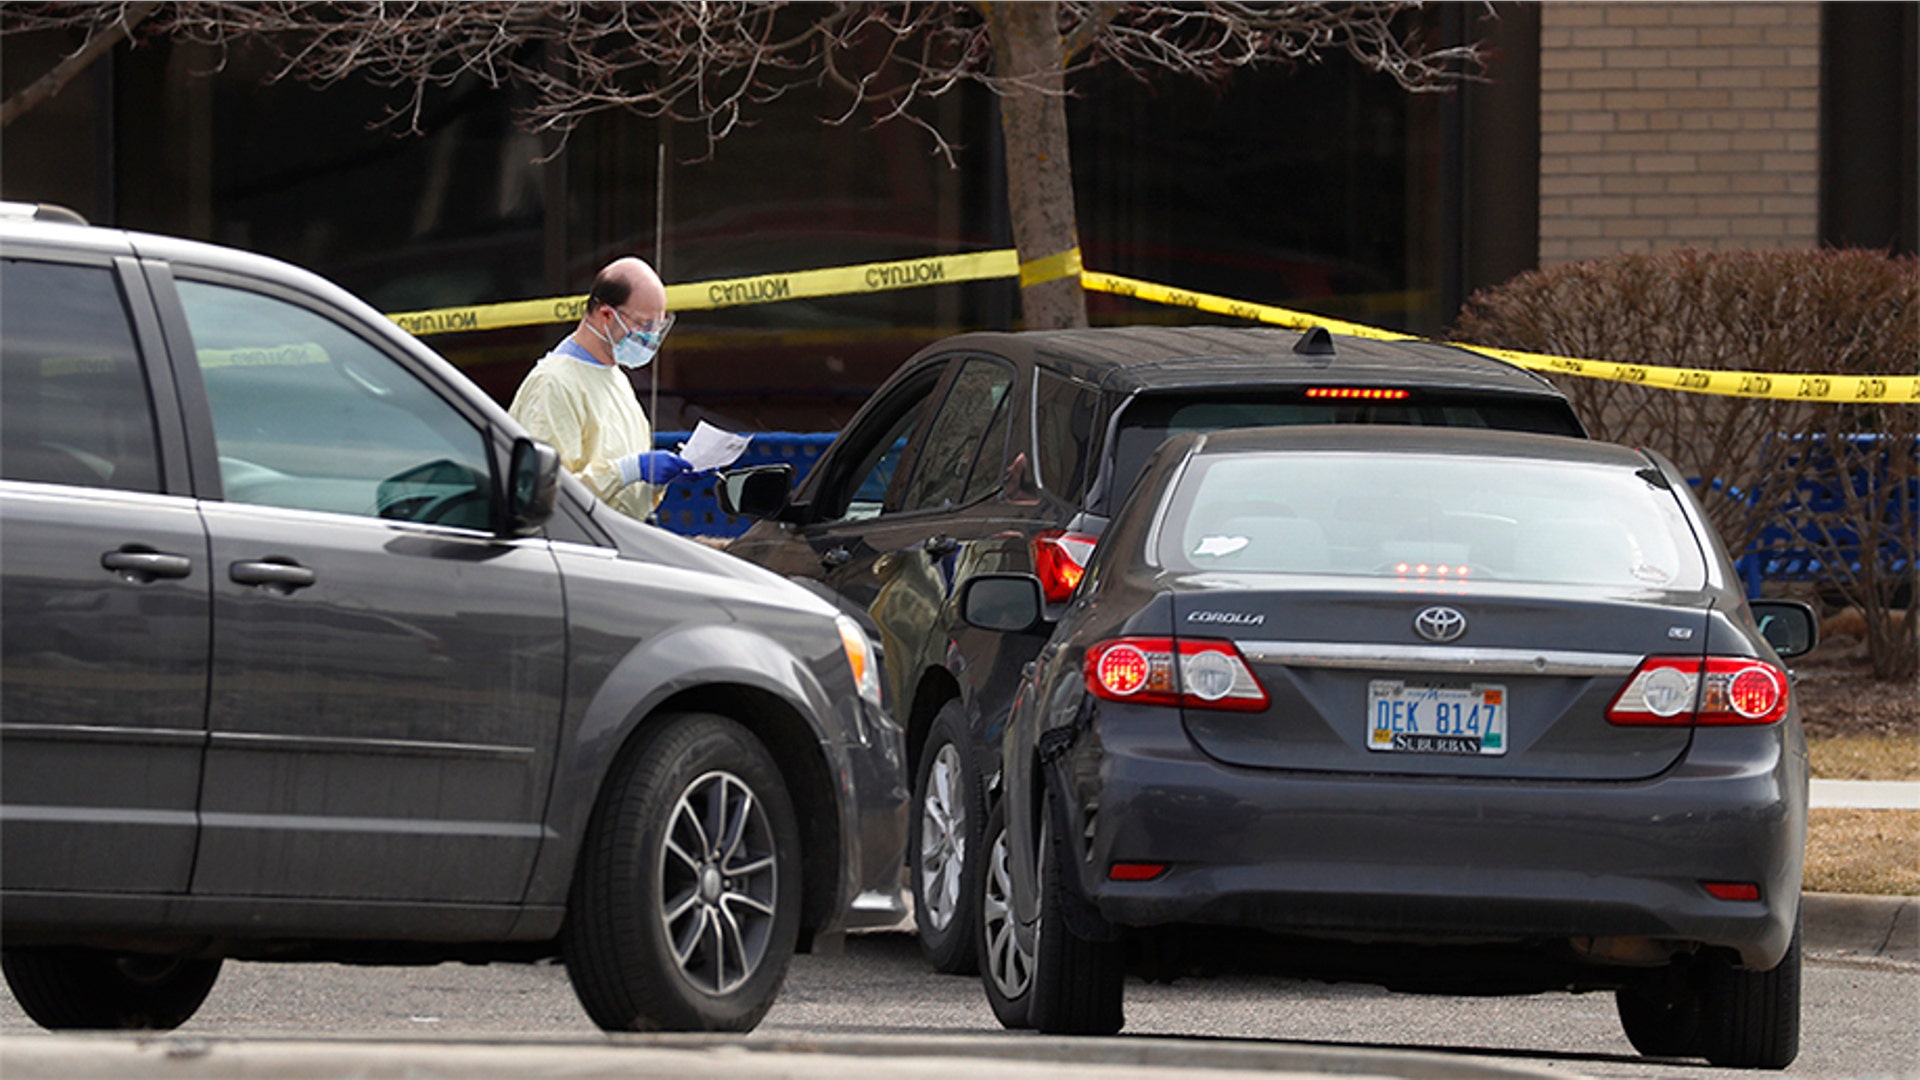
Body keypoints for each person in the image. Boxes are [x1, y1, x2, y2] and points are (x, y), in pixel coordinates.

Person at [508, 256, 690, 521]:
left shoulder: (615, 378)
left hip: (620, 539)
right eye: (643, 325)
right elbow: (549, 497)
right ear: (606, 314)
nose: (650, 337)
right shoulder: (553, 383)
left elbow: (624, 491)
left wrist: (663, 476)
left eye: (657, 327)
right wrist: (629, 470)